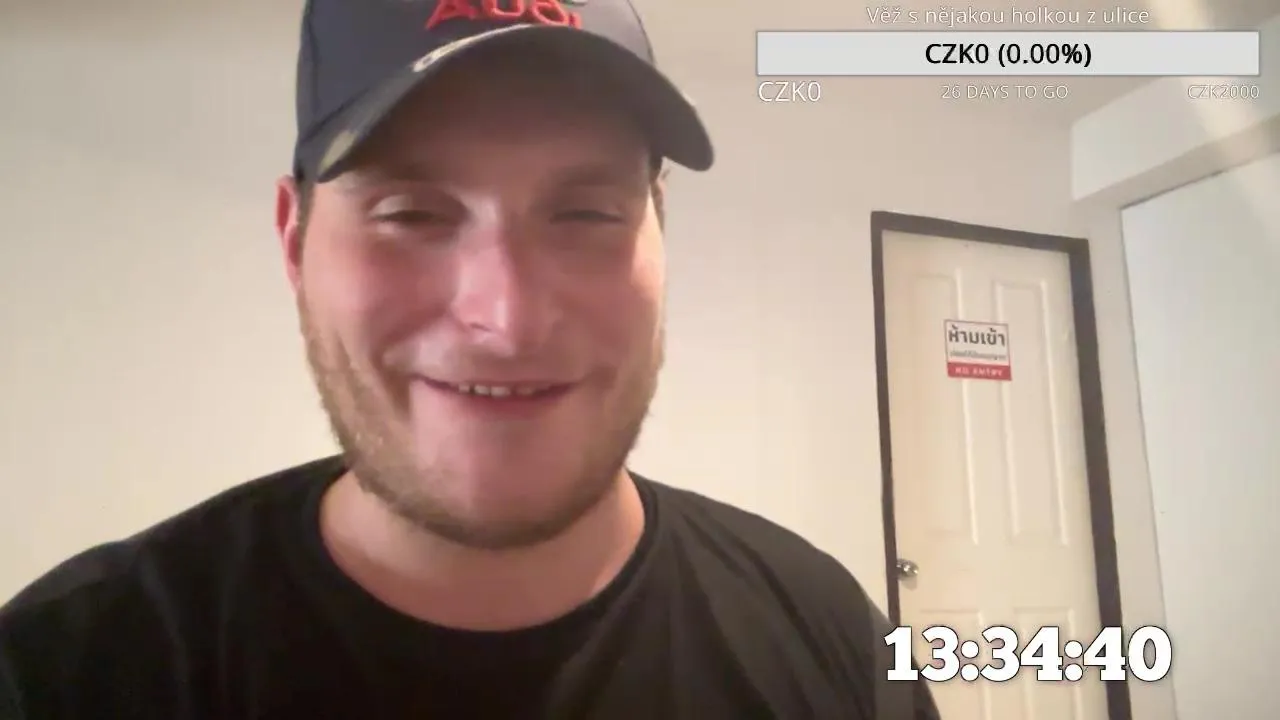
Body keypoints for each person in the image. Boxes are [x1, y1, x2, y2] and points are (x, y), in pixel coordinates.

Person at [0, 0, 940, 717]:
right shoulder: (65, 669)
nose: (508, 318)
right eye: (411, 213)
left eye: (586, 213)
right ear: (294, 241)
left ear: (660, 229)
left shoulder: (831, 636)